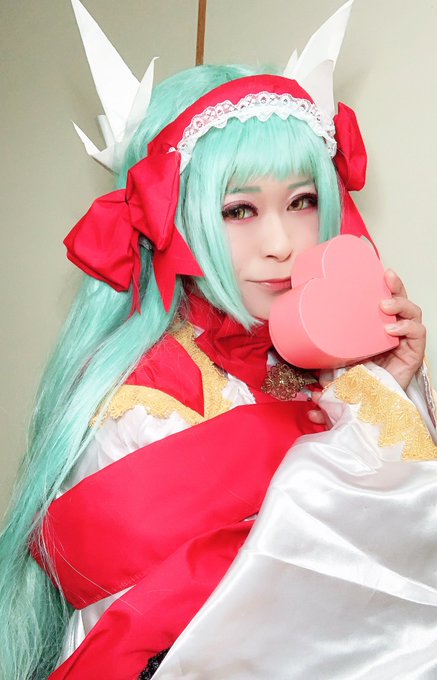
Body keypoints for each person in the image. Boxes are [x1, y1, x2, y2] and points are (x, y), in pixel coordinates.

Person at [1, 2, 436, 680]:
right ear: (175, 222)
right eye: (239, 210)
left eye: (301, 201)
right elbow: (213, 640)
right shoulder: (142, 402)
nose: (281, 243)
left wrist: (393, 387)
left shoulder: (340, 366)